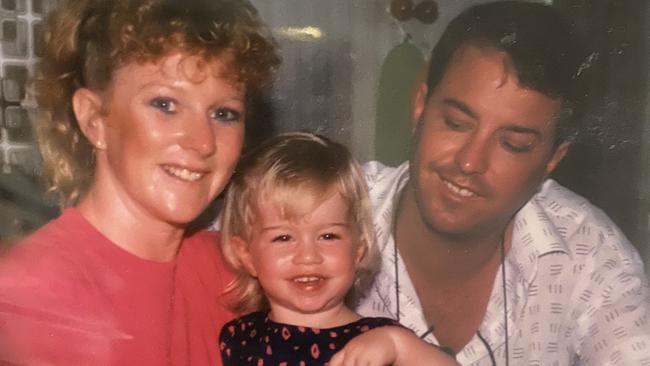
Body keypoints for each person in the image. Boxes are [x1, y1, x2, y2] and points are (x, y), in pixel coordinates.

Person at [356, 1, 650, 365]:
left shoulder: (591, 257)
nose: (469, 162)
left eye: (513, 144)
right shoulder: (323, 209)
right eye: (455, 122)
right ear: (420, 104)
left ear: (553, 159)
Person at [0, 0, 279, 364]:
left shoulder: (235, 269)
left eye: (224, 114)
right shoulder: (31, 290)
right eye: (165, 105)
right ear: (94, 119)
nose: (202, 142)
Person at [218, 132, 458, 366]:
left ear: (358, 250)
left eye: (328, 236)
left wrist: (399, 346)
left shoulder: (379, 342)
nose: (309, 256)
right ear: (246, 255)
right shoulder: (239, 338)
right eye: (283, 238)